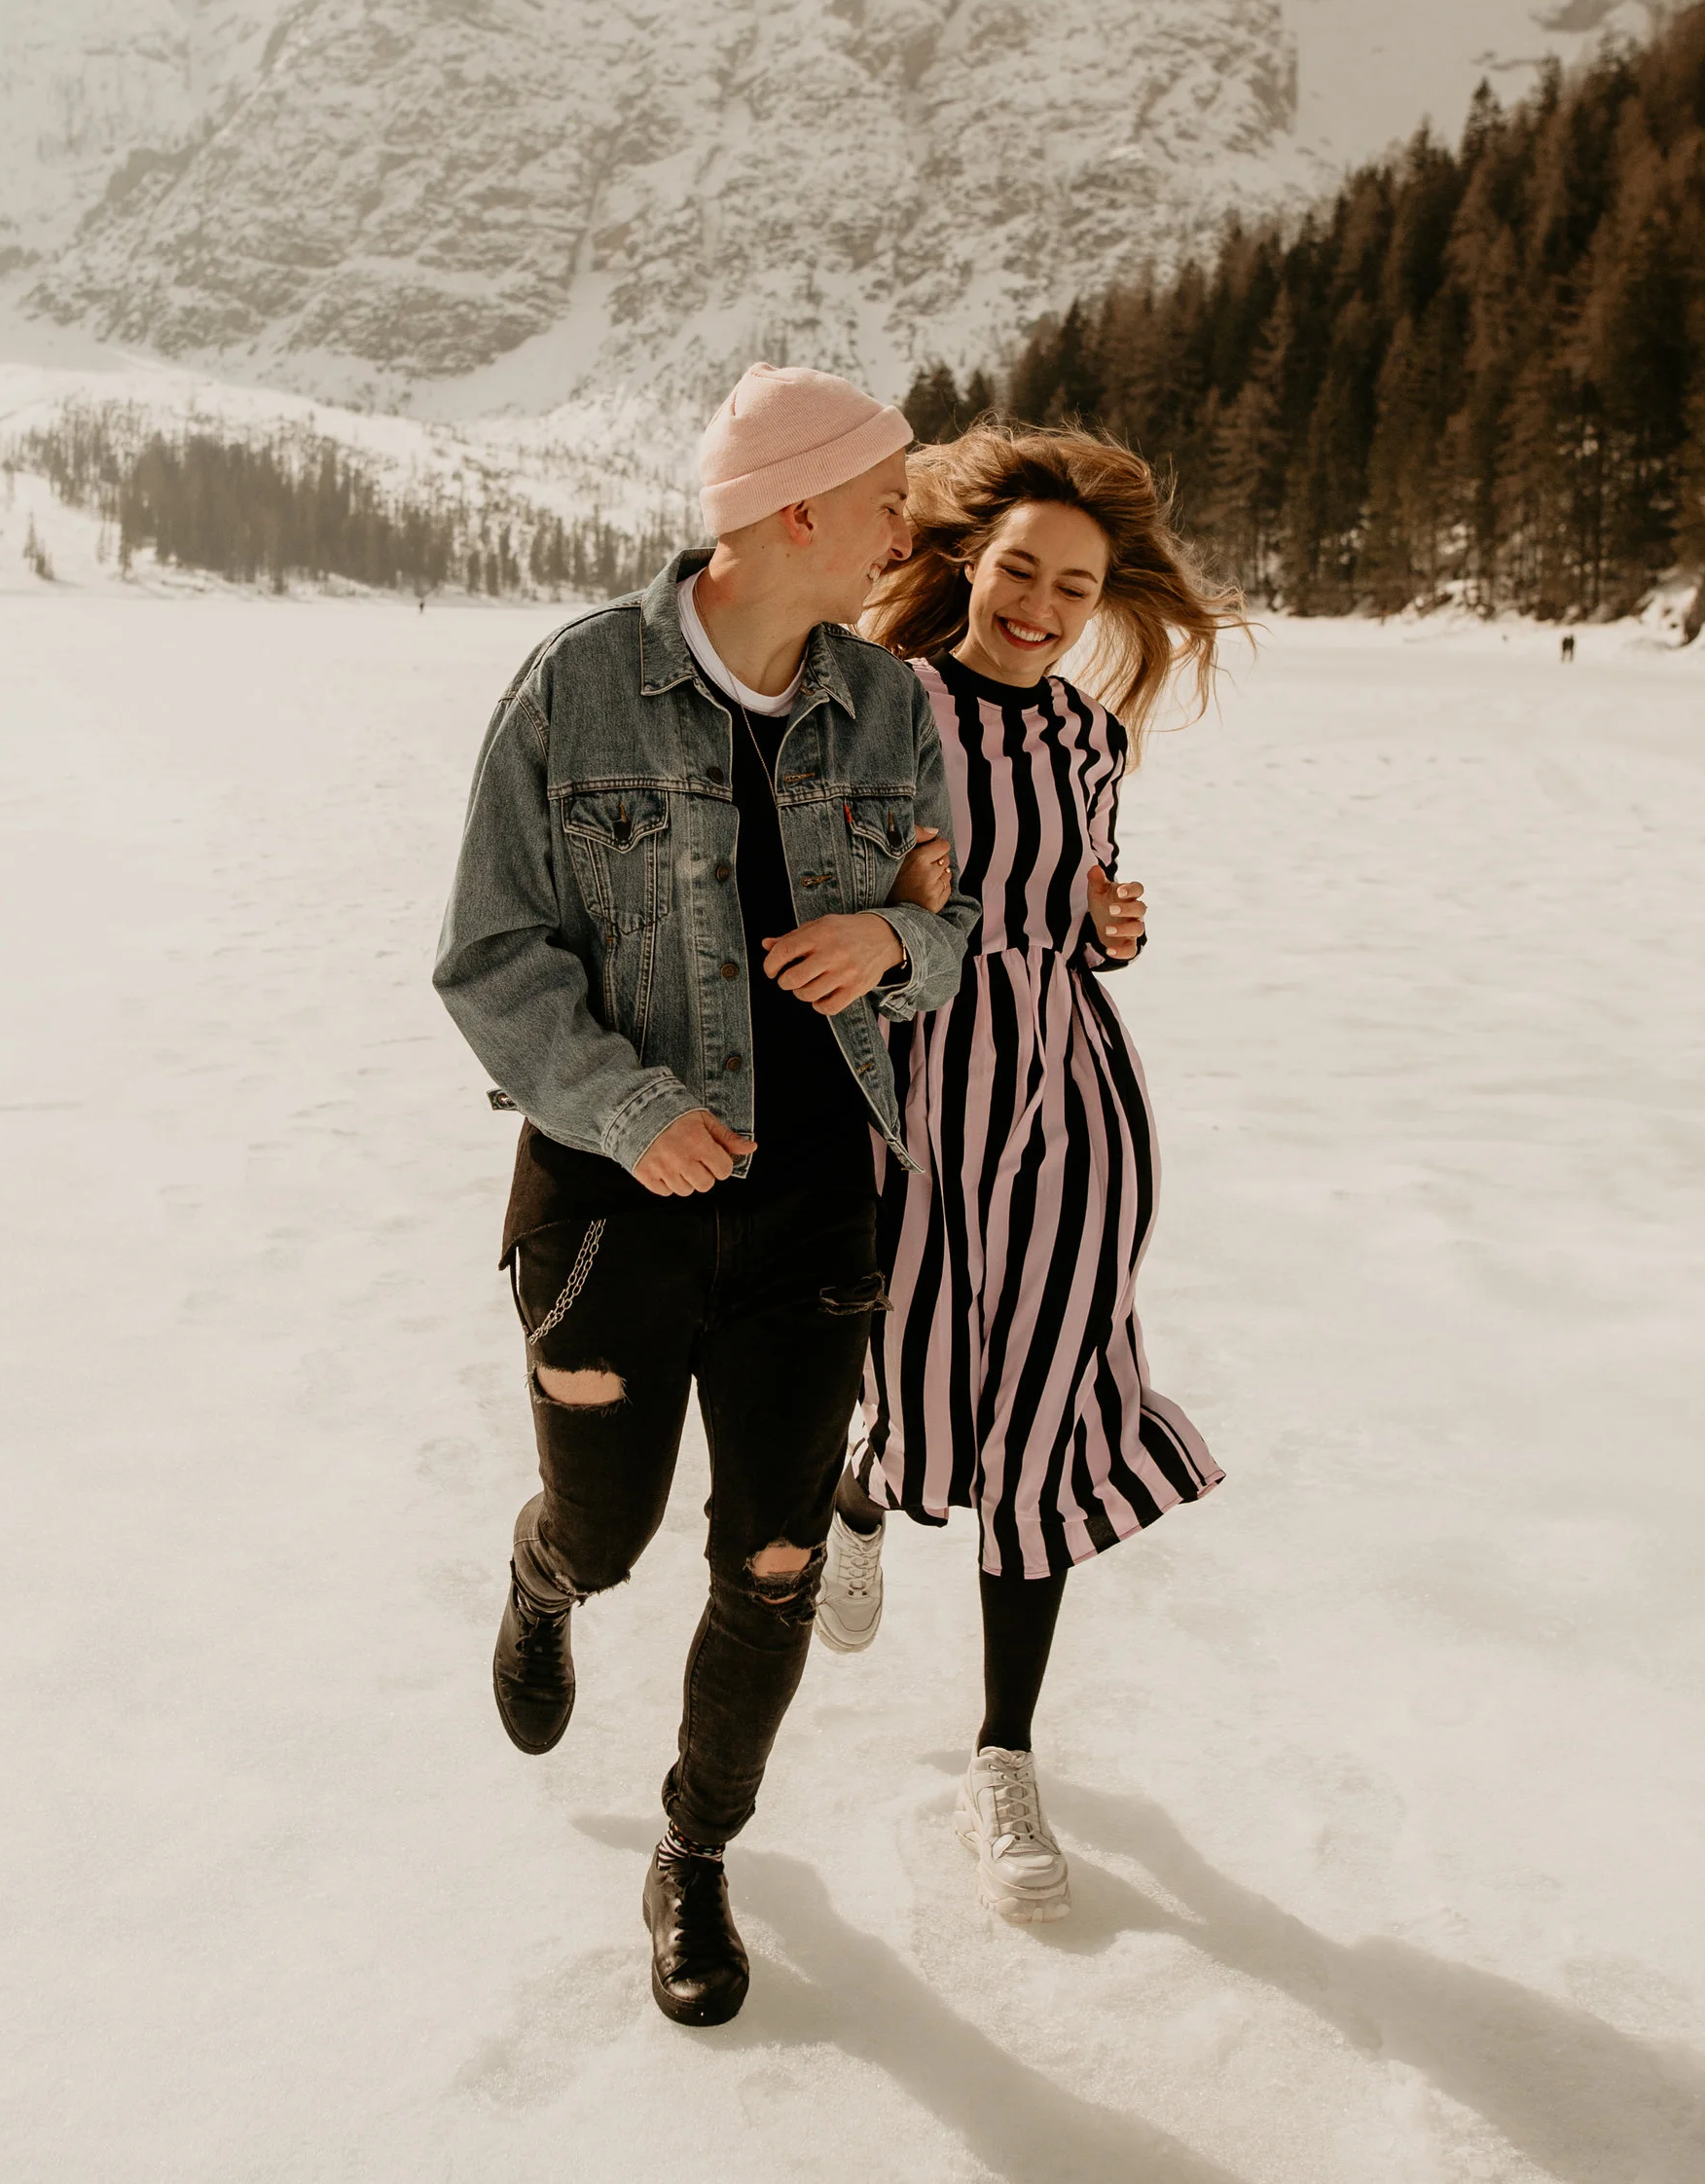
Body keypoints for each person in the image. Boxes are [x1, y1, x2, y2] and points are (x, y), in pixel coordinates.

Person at [433, 366, 976, 2027]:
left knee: (773, 1559)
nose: (909, 526)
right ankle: (548, 1575)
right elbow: (491, 957)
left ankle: (697, 1848)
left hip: (819, 1208)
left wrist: (898, 941)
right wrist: (628, 1099)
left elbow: (945, 929)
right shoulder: (574, 690)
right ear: (798, 510)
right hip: (616, 1204)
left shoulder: (894, 709)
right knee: (614, 1525)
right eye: (889, 497)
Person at [821, 423, 1238, 1919]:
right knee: (920, 1380)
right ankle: (863, 1487)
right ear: (964, 564)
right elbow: (838, 894)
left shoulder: (1090, 737)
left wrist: (1115, 927)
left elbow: (1081, 904)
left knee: (1049, 1425)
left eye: (1076, 585)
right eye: (1019, 572)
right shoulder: (887, 703)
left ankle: (1003, 1751)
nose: (1045, 608)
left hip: (1066, 1106)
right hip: (914, 1096)